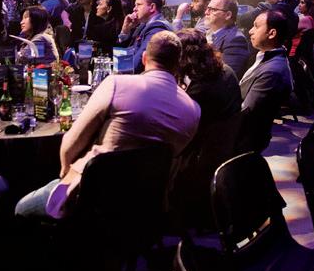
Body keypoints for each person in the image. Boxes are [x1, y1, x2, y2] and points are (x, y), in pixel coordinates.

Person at [15, 31, 199, 219]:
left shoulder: (116, 84)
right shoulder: (193, 110)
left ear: (144, 58)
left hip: (91, 197)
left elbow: (72, 142)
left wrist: (65, 172)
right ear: (178, 64)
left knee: (21, 209)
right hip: (145, 209)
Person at [237, 11, 294, 153]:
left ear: (272, 33)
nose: (250, 31)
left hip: (242, 140)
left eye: (256, 26)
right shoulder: (266, 56)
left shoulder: (272, 71)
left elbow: (246, 113)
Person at [117, 0, 173, 73]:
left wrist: (117, 70)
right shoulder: (143, 25)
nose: (134, 9)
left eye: (138, 5)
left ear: (152, 7)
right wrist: (125, 31)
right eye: (135, 5)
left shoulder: (157, 29)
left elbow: (137, 65)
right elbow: (126, 53)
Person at [203, 0, 252, 79]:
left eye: (212, 10)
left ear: (228, 15)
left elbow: (227, 77)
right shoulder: (209, 33)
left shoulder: (236, 40)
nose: (206, 12)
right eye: (207, 8)